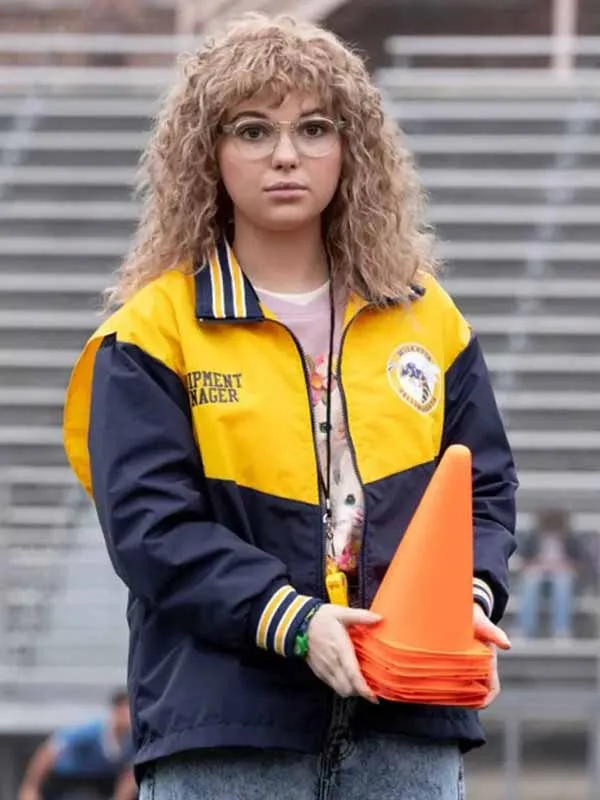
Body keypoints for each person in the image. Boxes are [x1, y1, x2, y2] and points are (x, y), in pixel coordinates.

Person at [63, 14, 518, 800]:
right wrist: (295, 622)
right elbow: (150, 526)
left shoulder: (429, 319)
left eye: (314, 128)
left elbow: (485, 490)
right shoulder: (150, 333)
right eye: (252, 130)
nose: (285, 155)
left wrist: (465, 600)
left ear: (351, 148)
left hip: (406, 725)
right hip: (230, 734)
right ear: (207, 153)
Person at [18, 689, 136, 800]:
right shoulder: (91, 730)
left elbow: (129, 776)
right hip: (68, 779)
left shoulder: (132, 740)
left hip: (100, 782)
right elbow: (49, 751)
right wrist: (30, 787)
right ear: (117, 709)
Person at [515, 508, 585, 640]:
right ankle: (524, 628)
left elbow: (579, 562)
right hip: (538, 571)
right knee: (531, 581)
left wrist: (563, 565)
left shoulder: (570, 538)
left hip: (562, 572)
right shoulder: (533, 537)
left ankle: (561, 629)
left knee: (563, 582)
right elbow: (523, 561)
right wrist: (538, 564)